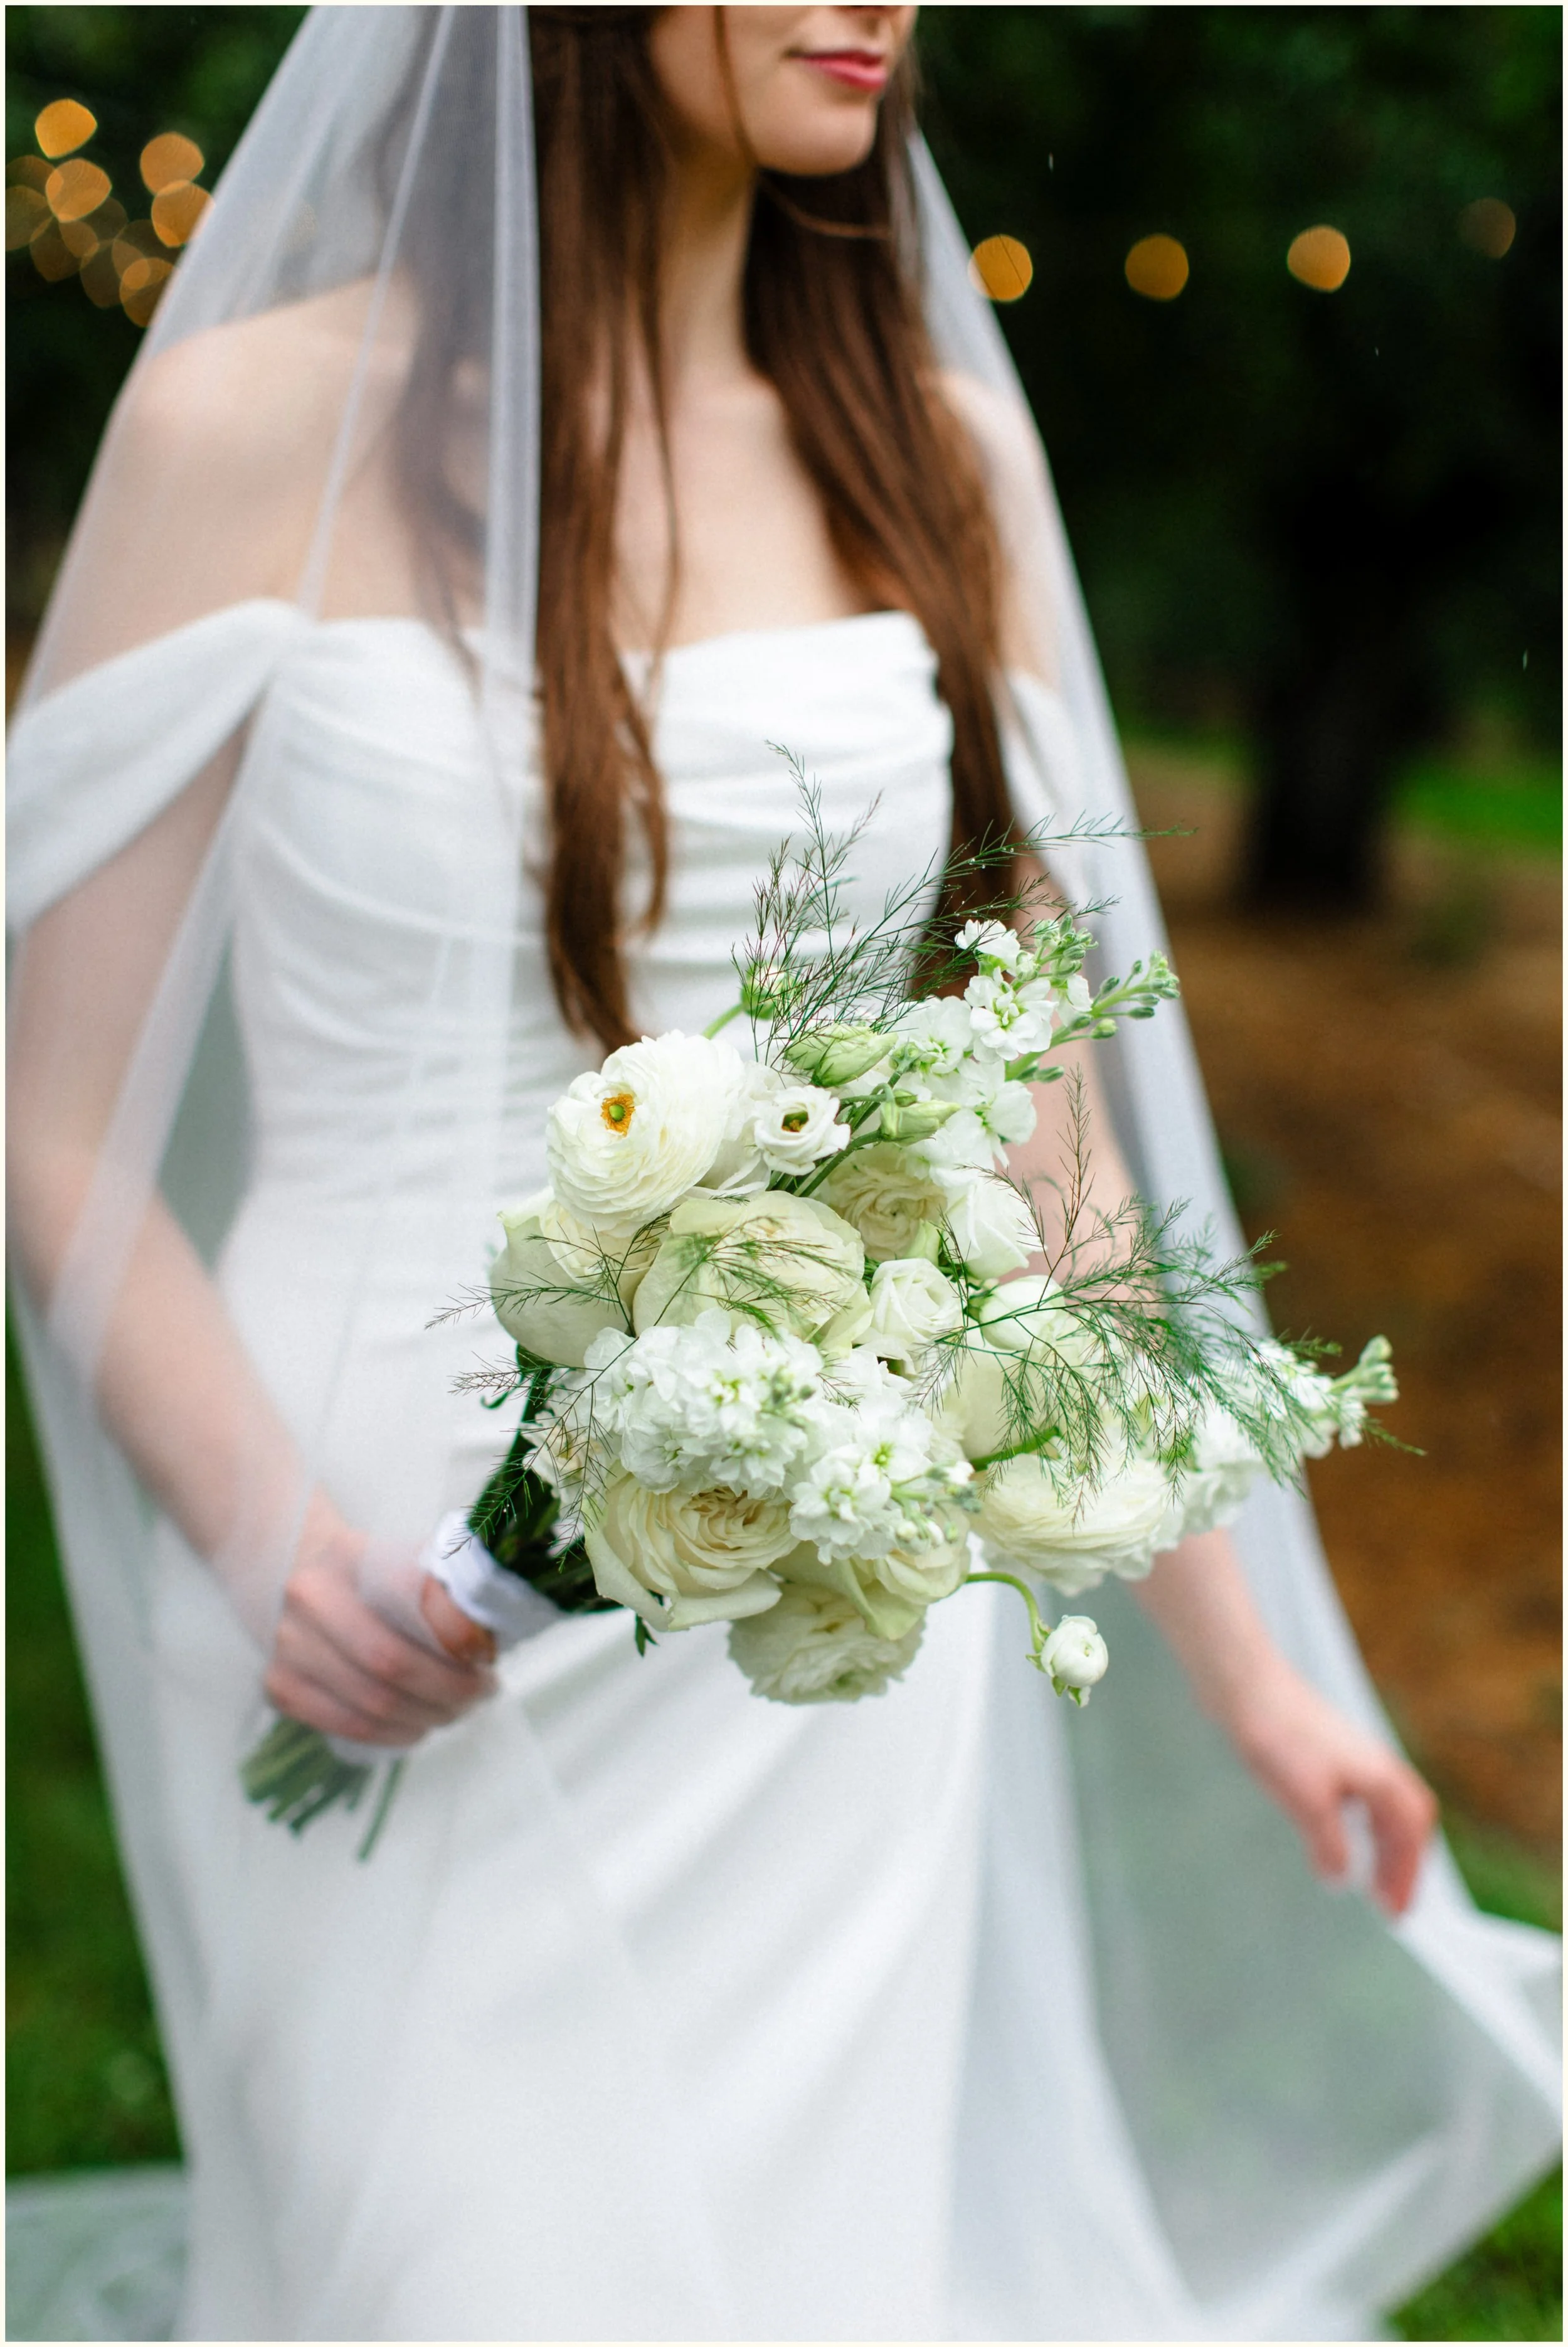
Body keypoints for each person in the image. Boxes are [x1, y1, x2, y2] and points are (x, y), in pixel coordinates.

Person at [7, 9, 1559, 2341]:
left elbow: (1053, 1158)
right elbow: (47, 1110)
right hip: (358, 1572)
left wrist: (1256, 1668)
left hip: (812, 1620)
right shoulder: (258, 422)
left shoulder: (922, 450)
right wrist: (275, 1547)